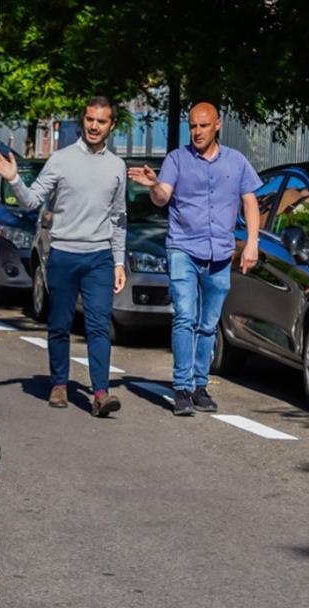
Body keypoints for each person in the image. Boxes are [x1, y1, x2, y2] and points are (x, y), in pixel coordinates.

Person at [0, 96, 127, 417]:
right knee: (60, 323)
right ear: (83, 120)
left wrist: (119, 260)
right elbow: (31, 201)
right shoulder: (61, 160)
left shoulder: (117, 166)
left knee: (98, 325)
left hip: (100, 258)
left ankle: (100, 393)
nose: (94, 126)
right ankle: (58, 384)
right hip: (64, 254)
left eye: (101, 121)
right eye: (89, 119)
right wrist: (13, 179)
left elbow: (119, 217)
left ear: (112, 126)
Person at [128, 102, 261, 416]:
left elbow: (250, 203)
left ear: (217, 125)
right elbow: (162, 197)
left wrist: (252, 242)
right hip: (183, 248)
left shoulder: (237, 162)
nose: (197, 132)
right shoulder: (177, 160)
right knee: (185, 316)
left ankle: (201, 386)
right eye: (193, 126)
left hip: (220, 253)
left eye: (203, 125)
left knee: (208, 323)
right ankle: (182, 389)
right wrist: (153, 185)